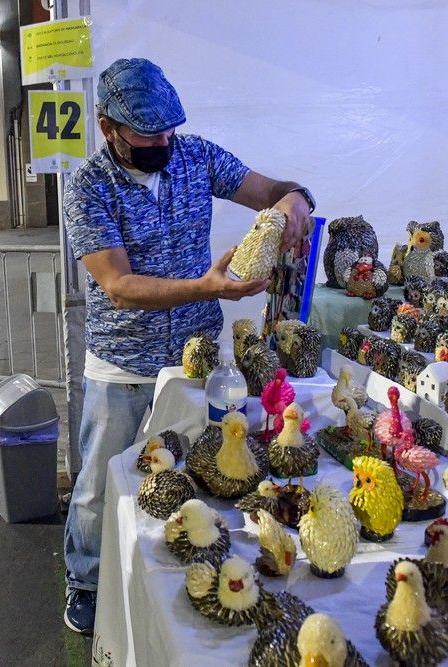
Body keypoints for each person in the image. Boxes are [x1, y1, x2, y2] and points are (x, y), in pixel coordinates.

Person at [61, 58, 315, 635]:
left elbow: (267, 189)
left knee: (195, 472)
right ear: (109, 128)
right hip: (121, 363)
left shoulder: (196, 155)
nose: (164, 142)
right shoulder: (88, 186)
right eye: (149, 134)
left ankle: (178, 561)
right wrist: (207, 287)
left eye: (170, 129)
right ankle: (85, 577)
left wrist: (293, 200)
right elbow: (118, 287)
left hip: (194, 360)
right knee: (102, 481)